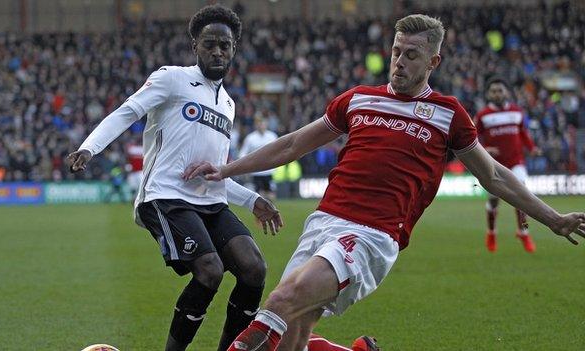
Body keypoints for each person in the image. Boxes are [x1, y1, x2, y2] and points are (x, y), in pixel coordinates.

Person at [183, 14, 585, 351]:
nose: (399, 62)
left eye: (412, 55)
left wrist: (552, 218)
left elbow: (494, 175)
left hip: (372, 234)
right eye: (396, 52)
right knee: (292, 337)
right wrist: (227, 169)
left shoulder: (447, 114)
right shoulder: (358, 99)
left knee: (280, 302)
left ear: (433, 61)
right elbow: (291, 145)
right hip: (322, 223)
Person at [66, 5, 283, 351]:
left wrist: (253, 200)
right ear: (195, 45)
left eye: (224, 46)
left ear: (233, 50)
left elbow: (215, 173)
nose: (217, 51)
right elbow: (128, 111)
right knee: (209, 271)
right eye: (209, 43)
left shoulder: (227, 103)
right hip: (166, 197)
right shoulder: (172, 78)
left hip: (211, 202)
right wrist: (90, 148)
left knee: (254, 269)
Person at [474, 77, 541, 253]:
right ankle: (491, 232)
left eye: (500, 90)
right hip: (493, 165)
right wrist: (486, 148)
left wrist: (532, 148)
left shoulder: (517, 112)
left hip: (516, 161)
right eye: (493, 91)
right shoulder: (483, 115)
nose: (497, 93)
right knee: (494, 201)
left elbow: (523, 134)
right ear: (489, 94)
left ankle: (523, 233)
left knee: (522, 196)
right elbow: (474, 139)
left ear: (507, 92)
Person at [239, 117, 279, 199]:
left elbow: (278, 151)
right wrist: (245, 166)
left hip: (269, 170)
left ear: (266, 124)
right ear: (256, 125)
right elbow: (243, 153)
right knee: (259, 194)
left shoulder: (272, 136)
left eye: (263, 124)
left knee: (271, 194)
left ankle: (271, 210)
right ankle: (263, 209)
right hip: (256, 171)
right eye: (259, 124)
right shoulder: (250, 138)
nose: (261, 126)